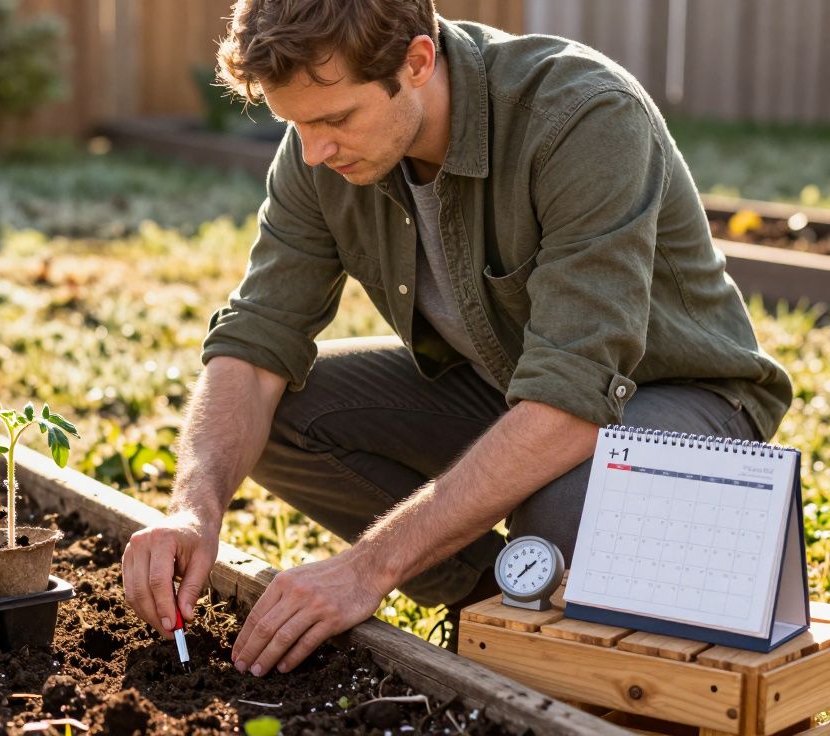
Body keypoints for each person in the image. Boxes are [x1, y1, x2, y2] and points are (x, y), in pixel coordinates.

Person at [121, 0, 792, 677]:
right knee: (284, 416)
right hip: (512, 384)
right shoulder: (316, 155)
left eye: (334, 119)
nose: (315, 151)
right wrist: (192, 509)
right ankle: (485, 612)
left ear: (416, 62)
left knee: (567, 510)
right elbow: (256, 340)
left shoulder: (582, 117)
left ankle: (552, 614)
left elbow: (572, 398)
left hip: (683, 396)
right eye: (294, 124)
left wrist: (366, 569)